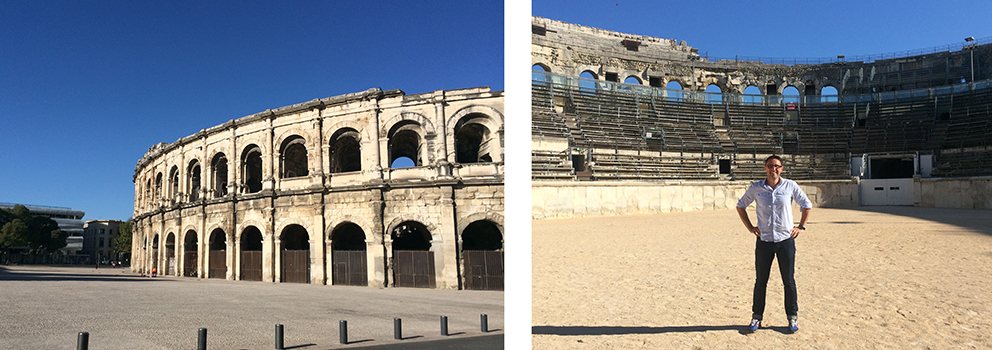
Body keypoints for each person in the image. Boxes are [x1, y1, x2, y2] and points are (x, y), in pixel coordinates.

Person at [736, 155, 812, 334]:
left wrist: (801, 226)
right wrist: (750, 227)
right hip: (764, 241)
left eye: (777, 166)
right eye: (770, 166)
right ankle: (757, 316)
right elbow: (741, 206)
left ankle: (792, 317)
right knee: (761, 281)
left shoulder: (790, 186)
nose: (774, 169)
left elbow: (806, 205)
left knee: (789, 281)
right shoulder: (756, 188)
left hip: (786, 241)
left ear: (782, 169)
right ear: (765, 168)